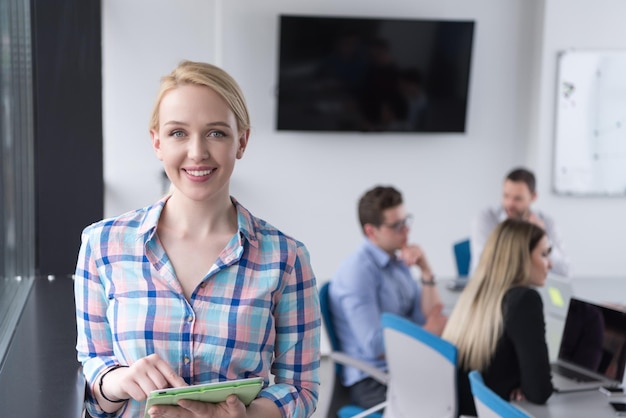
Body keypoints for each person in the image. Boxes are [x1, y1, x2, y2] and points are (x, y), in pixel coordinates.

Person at [74, 60, 321, 418]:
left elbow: (302, 389)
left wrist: (242, 416)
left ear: (242, 141)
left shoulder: (286, 258)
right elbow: (94, 371)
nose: (197, 152)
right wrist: (119, 381)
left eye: (216, 133)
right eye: (178, 133)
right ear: (156, 142)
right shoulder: (102, 245)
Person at [328, 185, 447, 409]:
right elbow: (374, 346)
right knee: (443, 405)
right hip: (373, 379)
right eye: (397, 225)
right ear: (372, 231)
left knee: (463, 383)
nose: (407, 231)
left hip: (405, 367)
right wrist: (428, 333)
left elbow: (428, 315)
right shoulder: (358, 272)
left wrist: (427, 272)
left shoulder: (397, 261)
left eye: (406, 221)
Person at [443, 218, 554, 416]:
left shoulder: (477, 292)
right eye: (544, 254)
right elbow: (539, 391)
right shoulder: (524, 300)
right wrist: (527, 383)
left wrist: (520, 381)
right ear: (522, 258)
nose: (550, 264)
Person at [470, 167, 570, 277]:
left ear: (533, 197)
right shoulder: (487, 218)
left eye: (517, 199)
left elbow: (565, 271)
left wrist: (543, 239)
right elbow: (482, 267)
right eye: (506, 196)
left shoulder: (547, 222)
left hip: (534, 288)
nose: (509, 204)